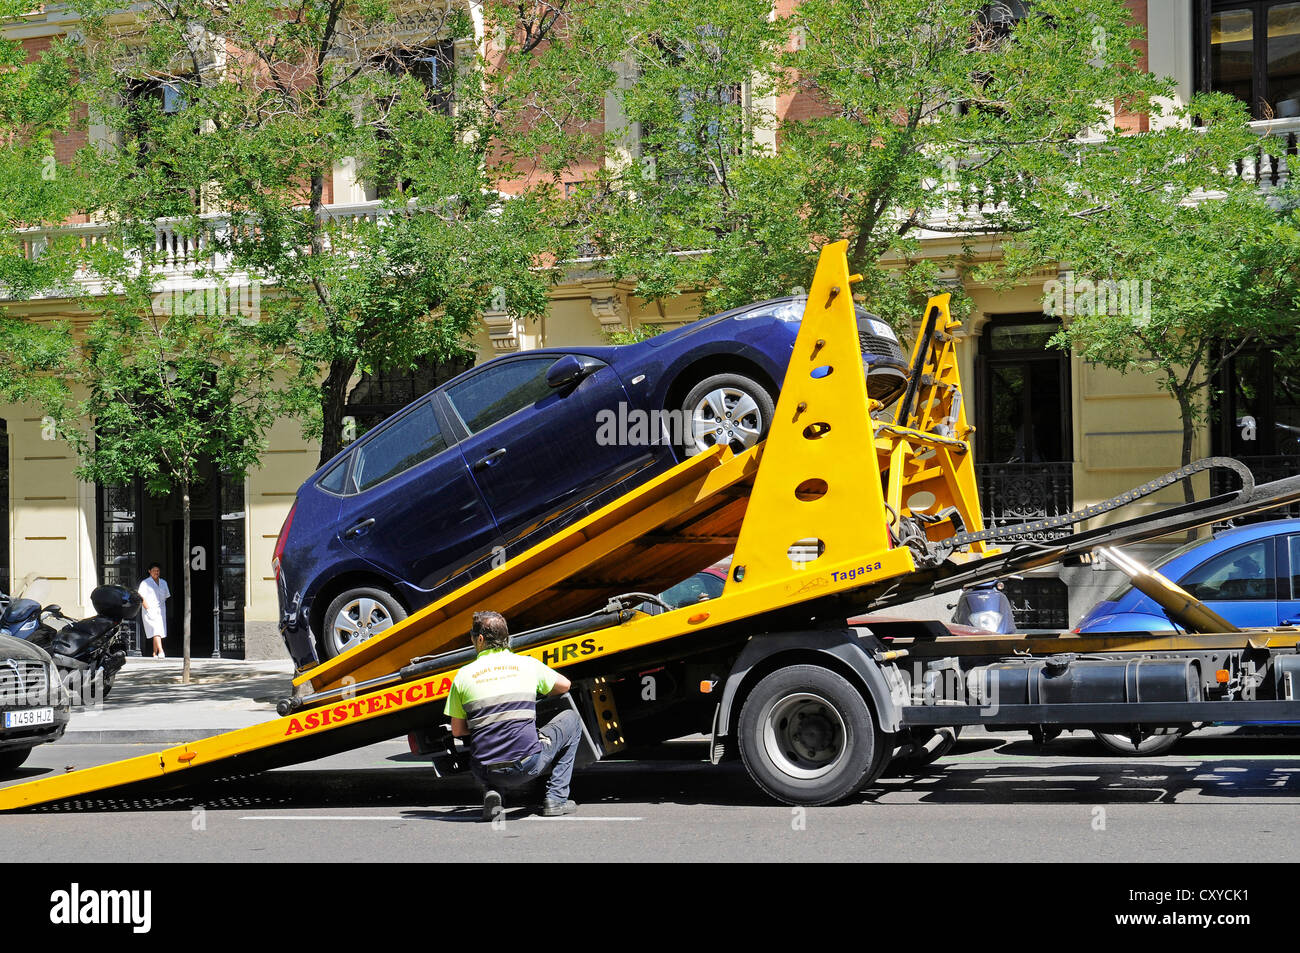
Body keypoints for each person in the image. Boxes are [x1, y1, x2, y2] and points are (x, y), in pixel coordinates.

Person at [445, 611, 583, 820]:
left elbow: (457, 731)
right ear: (506, 637)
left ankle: (493, 791)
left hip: (485, 770)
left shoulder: (463, 676)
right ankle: (556, 798)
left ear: (480, 639)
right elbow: (565, 685)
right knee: (571, 720)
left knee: (484, 740)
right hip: (526, 766)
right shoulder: (527, 665)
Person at [138, 563, 171, 658]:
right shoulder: (145, 583)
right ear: (149, 571)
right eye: (154, 571)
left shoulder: (163, 582)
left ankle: (154, 653)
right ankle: (161, 651)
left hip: (160, 610)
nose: (156, 572)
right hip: (149, 610)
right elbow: (141, 596)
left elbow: (166, 596)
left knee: (157, 631)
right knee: (156, 630)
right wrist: (147, 608)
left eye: (158, 571)